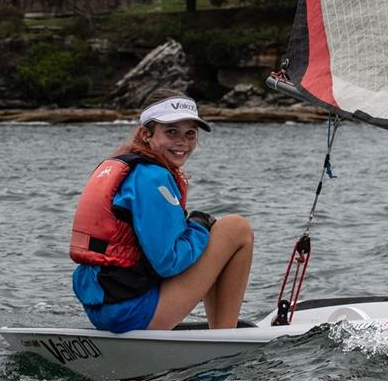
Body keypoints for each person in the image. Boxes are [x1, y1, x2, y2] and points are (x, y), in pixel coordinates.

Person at [70, 89, 253, 332]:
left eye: (190, 134)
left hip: (105, 307)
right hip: (131, 312)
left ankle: (219, 331)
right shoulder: (152, 177)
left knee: (209, 235)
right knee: (236, 228)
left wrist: (197, 230)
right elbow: (169, 263)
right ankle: (224, 336)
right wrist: (198, 227)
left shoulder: (126, 165)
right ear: (146, 134)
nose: (183, 142)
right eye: (171, 132)